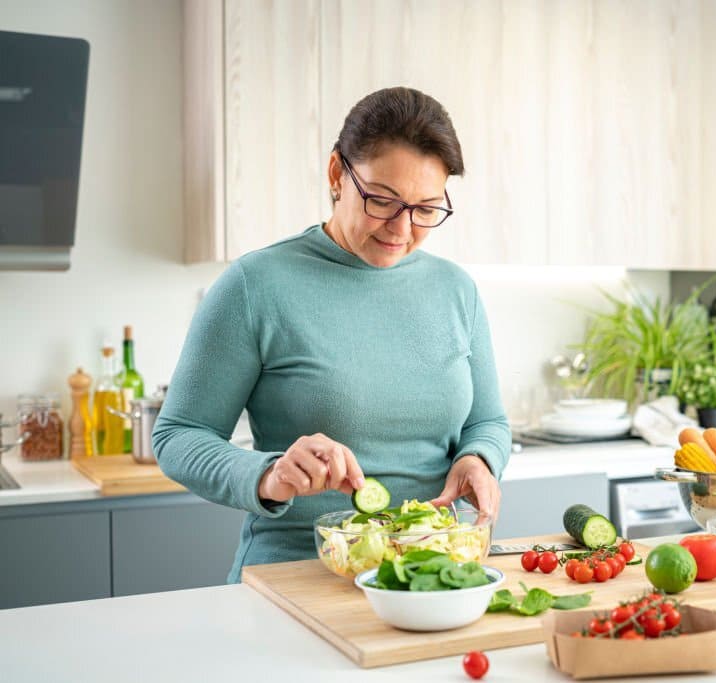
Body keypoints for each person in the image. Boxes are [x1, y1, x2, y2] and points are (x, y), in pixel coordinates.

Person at [153, 87, 511, 583]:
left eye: (426, 208)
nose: (402, 229)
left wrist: (479, 458)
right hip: (297, 578)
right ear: (337, 175)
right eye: (383, 201)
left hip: (431, 579)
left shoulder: (456, 290)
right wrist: (268, 474)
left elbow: (488, 420)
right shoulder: (255, 286)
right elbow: (178, 437)